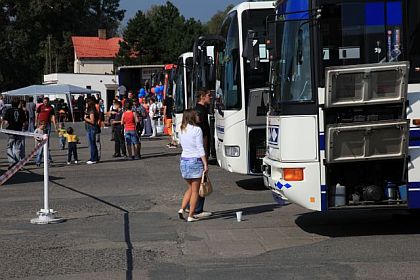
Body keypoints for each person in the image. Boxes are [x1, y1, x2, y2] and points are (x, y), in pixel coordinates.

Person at [177, 109, 209, 222]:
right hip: (195, 161)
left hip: (184, 160)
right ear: (191, 117)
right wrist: (205, 163)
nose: (198, 116)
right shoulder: (197, 130)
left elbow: (180, 143)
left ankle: (182, 209)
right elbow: (200, 148)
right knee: (195, 191)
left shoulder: (181, 129)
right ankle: (191, 215)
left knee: (190, 188)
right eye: (196, 115)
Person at [190, 89, 213, 218]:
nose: (211, 98)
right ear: (202, 97)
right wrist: (204, 153)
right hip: (201, 151)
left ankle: (191, 207)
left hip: (198, 150)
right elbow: (202, 134)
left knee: (196, 181)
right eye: (209, 96)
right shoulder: (201, 111)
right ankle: (197, 209)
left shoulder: (199, 110)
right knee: (201, 180)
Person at [3, 99, 27, 169]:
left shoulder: (9, 110)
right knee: (17, 148)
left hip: (11, 131)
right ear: (18, 104)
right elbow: (24, 122)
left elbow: (6, 122)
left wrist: (4, 127)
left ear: (11, 104)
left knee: (9, 147)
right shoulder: (21, 111)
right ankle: (17, 163)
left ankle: (12, 161)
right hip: (19, 131)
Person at [36, 97, 56, 163]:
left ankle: (49, 159)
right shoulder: (40, 107)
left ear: (48, 101)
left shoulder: (51, 108)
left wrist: (55, 126)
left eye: (46, 101)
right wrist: (36, 123)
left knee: (47, 142)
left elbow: (53, 117)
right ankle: (38, 159)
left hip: (48, 125)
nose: (45, 102)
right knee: (41, 142)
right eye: (44, 101)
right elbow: (37, 114)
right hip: (41, 125)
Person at [84, 100, 99, 164]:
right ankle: (94, 157)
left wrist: (85, 118)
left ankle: (93, 158)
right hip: (89, 128)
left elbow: (92, 121)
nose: (86, 105)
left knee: (92, 143)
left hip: (91, 128)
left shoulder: (91, 111)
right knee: (92, 143)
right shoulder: (89, 110)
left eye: (87, 103)